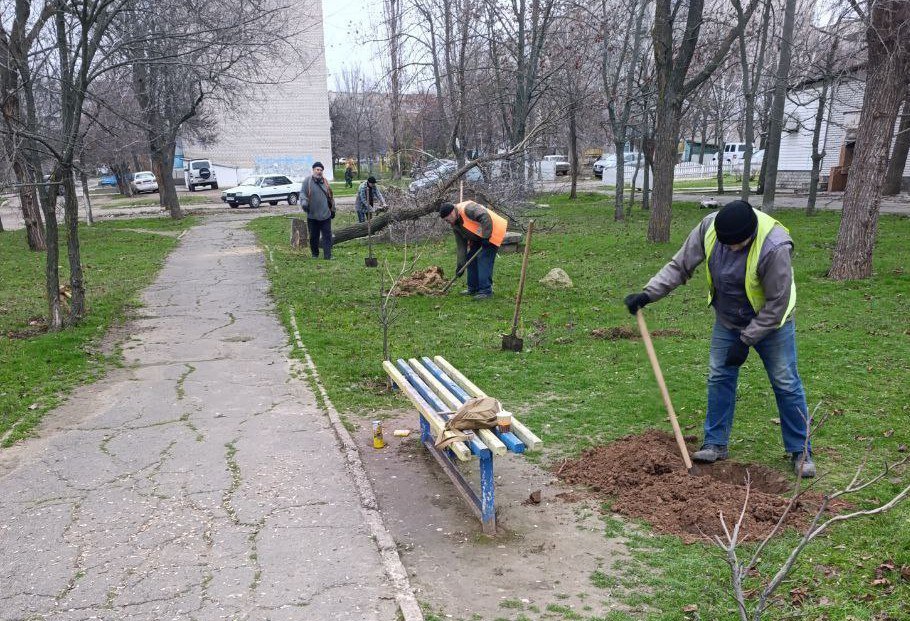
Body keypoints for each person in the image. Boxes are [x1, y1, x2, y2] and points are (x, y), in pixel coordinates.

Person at [623, 200, 816, 477]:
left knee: (785, 381)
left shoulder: (774, 247)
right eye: (724, 245)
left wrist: (746, 339)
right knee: (719, 375)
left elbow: (777, 304)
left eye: (734, 245)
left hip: (772, 322)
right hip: (728, 318)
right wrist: (648, 294)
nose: (728, 249)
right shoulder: (711, 228)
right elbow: (680, 265)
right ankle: (715, 443)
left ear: (748, 237)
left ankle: (801, 450)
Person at [438, 200, 507, 300]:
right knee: (471, 258)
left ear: (452, 212)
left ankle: (486, 291)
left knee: (483, 258)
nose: (447, 222)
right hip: (480, 237)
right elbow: (461, 246)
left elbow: (485, 217)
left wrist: (486, 237)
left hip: (493, 231)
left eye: (447, 219)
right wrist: (460, 266)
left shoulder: (468, 208)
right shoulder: (455, 225)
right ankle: (473, 288)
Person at [299, 162, 335, 260]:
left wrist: (333, 209)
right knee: (313, 237)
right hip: (312, 215)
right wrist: (304, 203)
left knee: (327, 236)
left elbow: (331, 197)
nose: (319, 172)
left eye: (321, 170)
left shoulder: (326, 182)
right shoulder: (308, 181)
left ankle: (328, 255)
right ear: (313, 170)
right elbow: (302, 194)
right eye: (317, 170)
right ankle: (315, 254)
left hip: (325, 215)